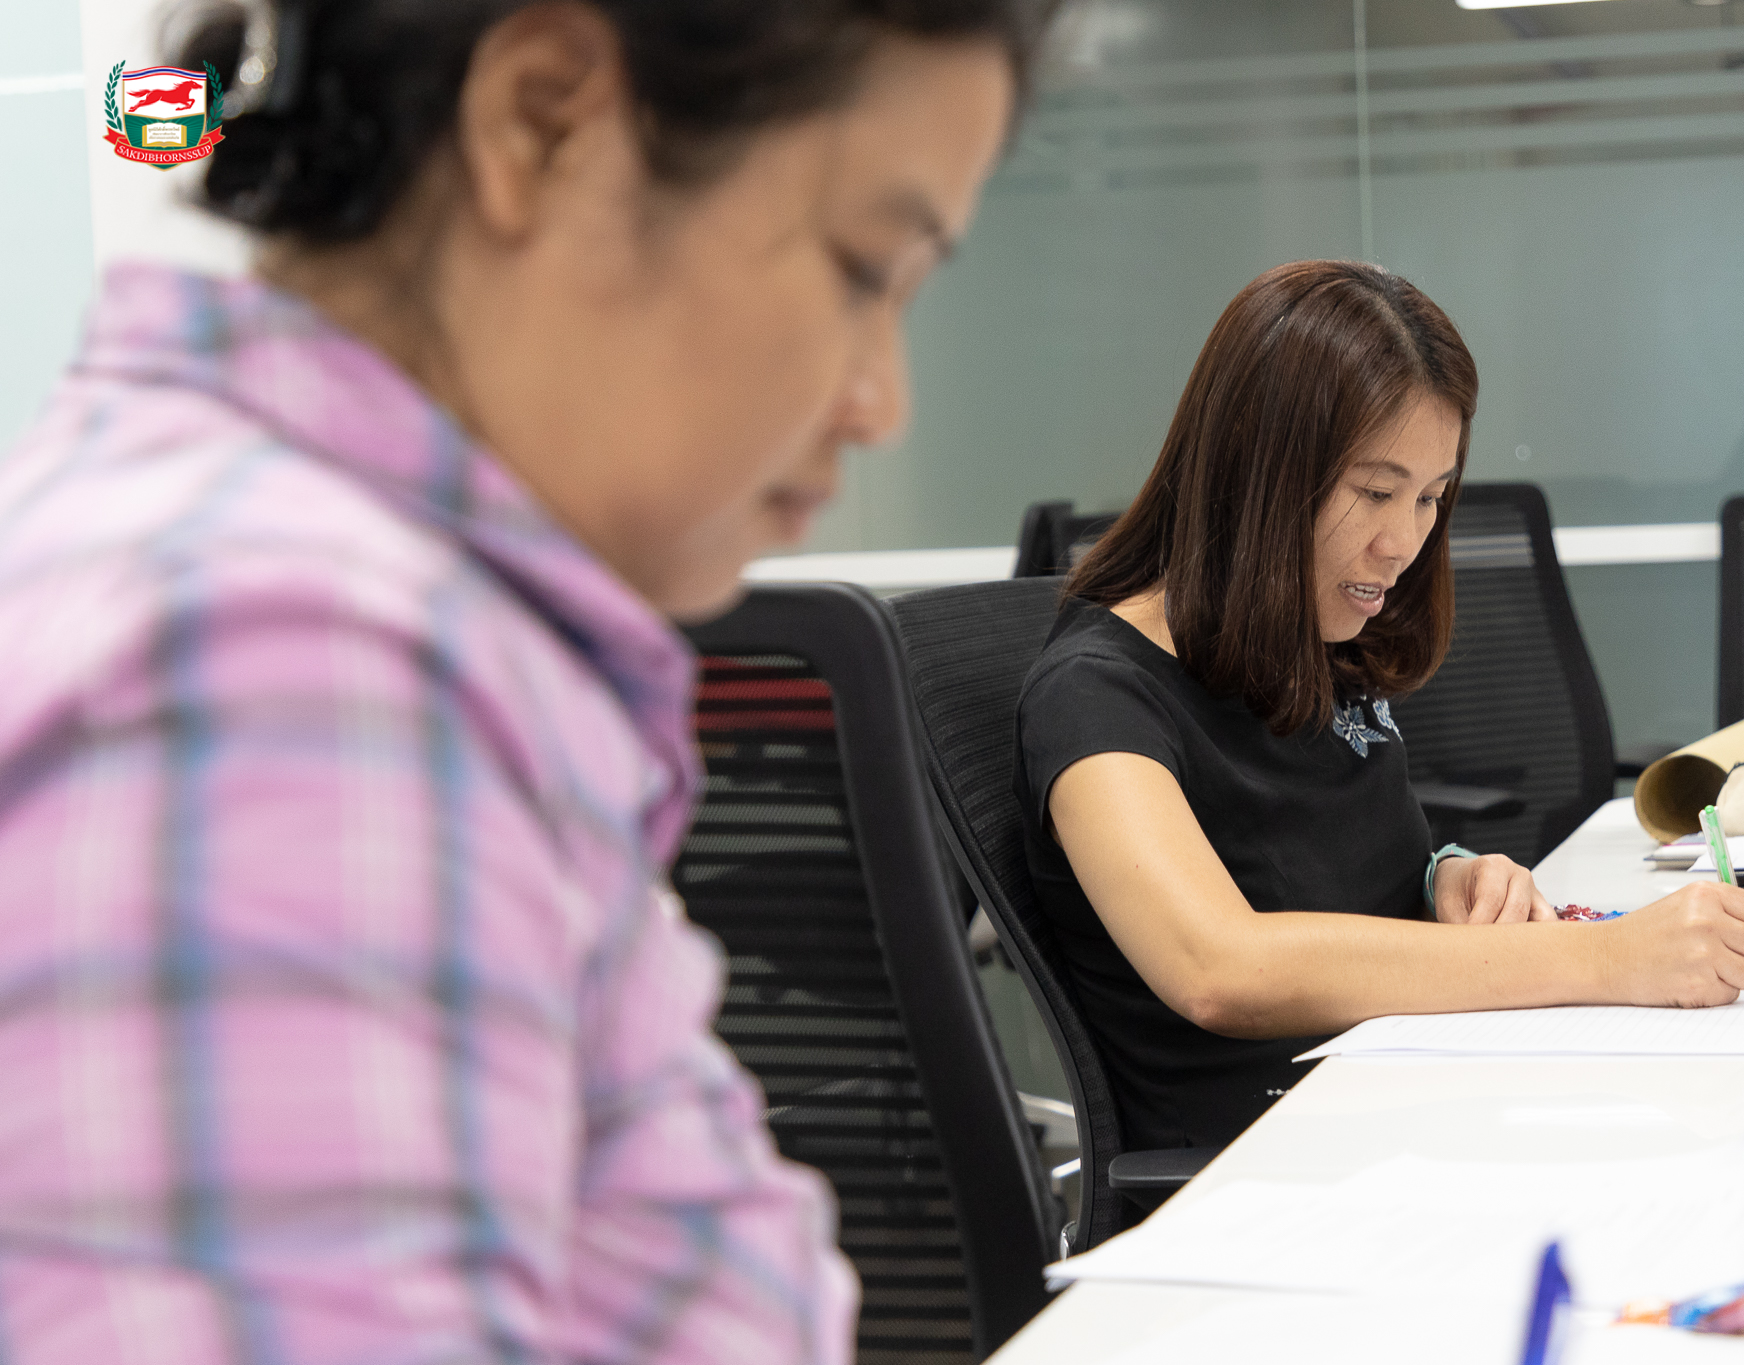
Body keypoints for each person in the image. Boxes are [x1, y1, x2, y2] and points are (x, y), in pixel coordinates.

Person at [0, 0, 1047, 1359]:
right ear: (545, 123)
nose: (880, 402)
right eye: (862, 270)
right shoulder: (285, 668)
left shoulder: (349, 619)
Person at [1016, 260, 1744, 1153]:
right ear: (1256, 472)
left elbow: (1332, 870)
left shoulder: (1305, 643)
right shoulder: (1093, 695)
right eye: (1375, 493)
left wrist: (1441, 877)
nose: (1404, 541)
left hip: (1407, 1098)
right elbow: (1218, 967)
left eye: (1429, 497)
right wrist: (1608, 959)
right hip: (1277, 1162)